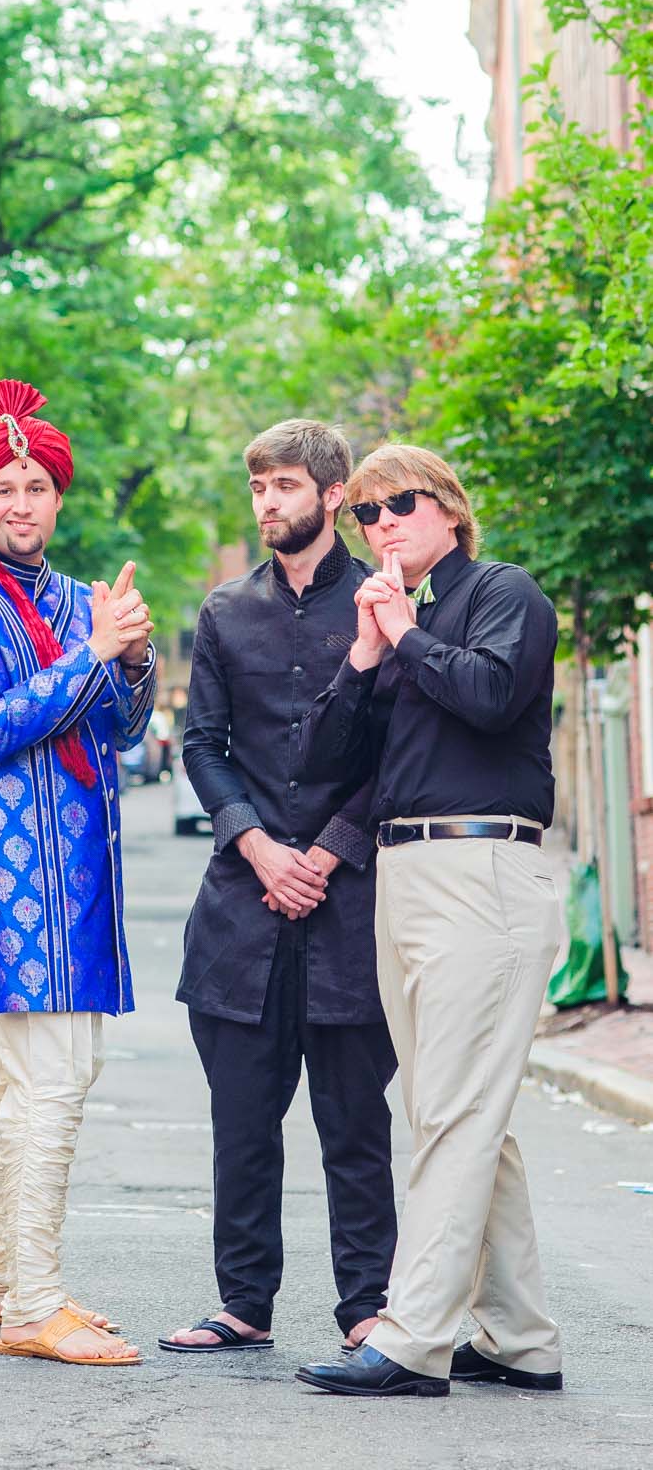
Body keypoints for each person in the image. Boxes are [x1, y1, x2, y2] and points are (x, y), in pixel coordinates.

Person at [294, 444, 564, 1401]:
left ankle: (412, 1338)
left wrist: (403, 635)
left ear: (447, 506)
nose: (380, 527)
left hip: (482, 866)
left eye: (397, 504)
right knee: (456, 1110)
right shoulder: (386, 622)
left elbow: (491, 698)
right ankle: (521, 1334)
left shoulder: (503, 591)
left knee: (451, 1109)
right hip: (402, 872)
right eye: (364, 515)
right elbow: (325, 763)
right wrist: (365, 656)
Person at [0, 378, 156, 1368]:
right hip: (14, 877)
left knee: (37, 1079)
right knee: (46, 1079)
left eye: (37, 484)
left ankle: (6, 1283)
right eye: (1, 486)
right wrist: (95, 651)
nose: (21, 502)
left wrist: (131, 664)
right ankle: (33, 1305)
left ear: (57, 496)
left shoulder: (71, 597)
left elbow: (118, 731)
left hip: (84, 866)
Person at [163, 420, 396, 1360]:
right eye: (258, 487)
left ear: (332, 495)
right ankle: (242, 1304)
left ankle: (367, 1308)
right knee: (243, 1122)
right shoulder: (224, 613)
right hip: (241, 909)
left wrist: (328, 851)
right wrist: (259, 848)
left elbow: (397, 753)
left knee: (354, 1122)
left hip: (350, 908)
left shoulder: (387, 605)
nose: (267, 504)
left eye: (286, 487)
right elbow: (199, 749)